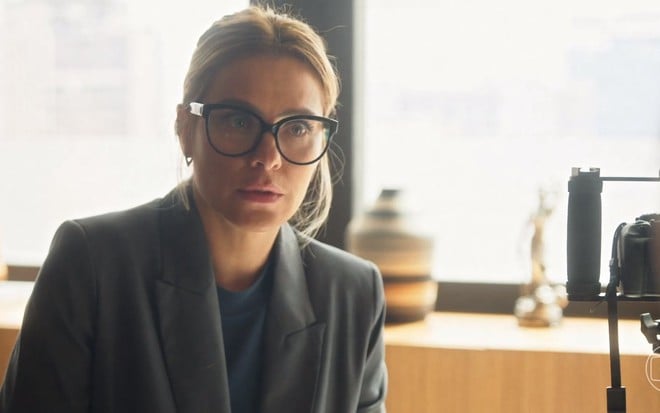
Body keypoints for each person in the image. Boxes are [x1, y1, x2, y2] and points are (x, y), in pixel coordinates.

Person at [0, 5, 387, 413]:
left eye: (297, 128)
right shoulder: (93, 265)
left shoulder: (353, 293)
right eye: (239, 121)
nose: (268, 157)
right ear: (186, 130)